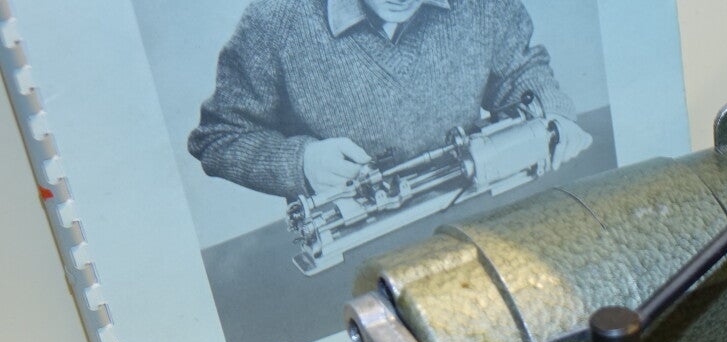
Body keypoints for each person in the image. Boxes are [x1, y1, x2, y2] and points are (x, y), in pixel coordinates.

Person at [188, 0, 592, 200]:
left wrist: (553, 114)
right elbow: (219, 138)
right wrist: (300, 163)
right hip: (358, 240)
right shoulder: (275, 21)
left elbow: (519, 72)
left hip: (479, 205)